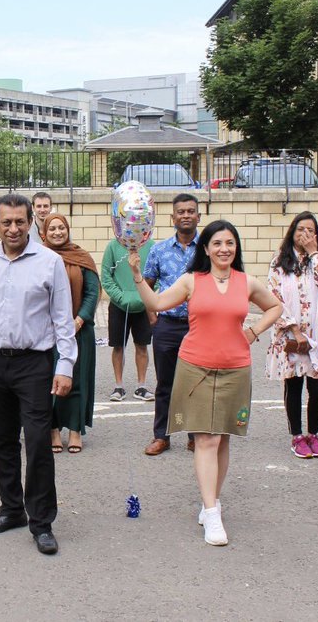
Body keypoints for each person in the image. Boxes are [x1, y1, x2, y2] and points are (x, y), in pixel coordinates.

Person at [128, 219, 282, 546]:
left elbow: (275, 307)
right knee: (206, 439)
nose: (224, 249)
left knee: (223, 438)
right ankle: (212, 513)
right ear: (206, 249)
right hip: (195, 367)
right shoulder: (191, 281)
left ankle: (210, 499)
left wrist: (254, 331)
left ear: (236, 247)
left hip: (235, 369)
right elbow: (155, 304)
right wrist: (139, 277)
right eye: (217, 244)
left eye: (229, 243)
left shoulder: (247, 282)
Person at [0, 193, 77, 556]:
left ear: (31, 223)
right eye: (6, 222)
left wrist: (65, 366)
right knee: (3, 442)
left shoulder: (49, 262)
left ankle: (42, 522)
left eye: (20, 222)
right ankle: (11, 510)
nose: (13, 228)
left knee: (39, 442)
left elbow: (62, 320)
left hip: (34, 365)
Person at [266, 212, 318, 459]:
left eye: (310, 230)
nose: (304, 234)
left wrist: (315, 252)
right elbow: (273, 297)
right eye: (300, 229)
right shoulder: (279, 261)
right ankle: (297, 435)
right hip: (291, 333)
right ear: (291, 232)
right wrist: (294, 330)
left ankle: (314, 434)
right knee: (294, 385)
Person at [141, 193, 201, 456]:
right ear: (172, 217)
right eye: (181, 212)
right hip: (167, 325)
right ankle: (161, 436)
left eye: (190, 211)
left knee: (195, 383)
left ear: (198, 216)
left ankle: (194, 435)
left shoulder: (208, 250)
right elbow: (148, 285)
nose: (186, 215)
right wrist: (154, 318)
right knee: (165, 383)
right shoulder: (159, 250)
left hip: (199, 327)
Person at [41, 214, 99, 454]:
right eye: (52, 228)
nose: (57, 232)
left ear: (68, 229)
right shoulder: (39, 257)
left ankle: (75, 430)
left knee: (76, 380)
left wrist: (78, 320)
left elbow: (92, 293)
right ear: (44, 232)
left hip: (79, 330)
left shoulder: (82, 257)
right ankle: (52, 429)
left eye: (61, 227)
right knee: (47, 382)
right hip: (45, 332)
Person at [101, 230, 155, 402]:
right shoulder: (113, 246)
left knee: (142, 346)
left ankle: (141, 386)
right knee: (118, 347)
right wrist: (120, 297)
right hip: (118, 306)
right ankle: (119, 386)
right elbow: (106, 277)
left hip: (143, 306)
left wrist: (145, 295)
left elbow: (157, 276)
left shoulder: (151, 246)